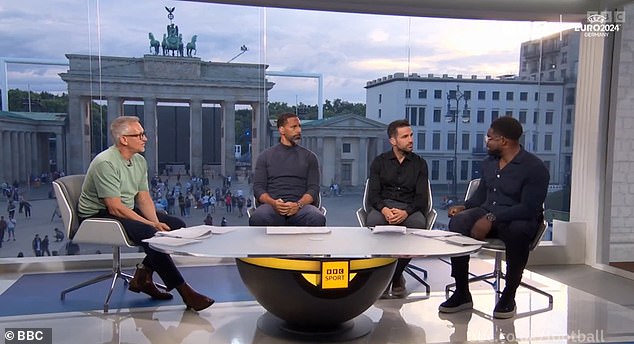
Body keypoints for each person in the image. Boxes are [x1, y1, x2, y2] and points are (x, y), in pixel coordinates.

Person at [78, 116, 214, 311]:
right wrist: (152, 226)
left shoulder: (139, 161)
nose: (145, 138)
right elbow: (114, 207)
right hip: (98, 215)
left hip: (124, 208)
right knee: (150, 234)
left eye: (144, 134)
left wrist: (155, 221)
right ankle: (185, 292)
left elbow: (143, 198)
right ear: (123, 139)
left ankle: (143, 276)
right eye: (139, 134)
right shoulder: (105, 163)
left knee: (176, 226)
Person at [438, 116, 549, 319]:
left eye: (489, 137)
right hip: (489, 214)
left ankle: (509, 294)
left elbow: (529, 208)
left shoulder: (535, 168)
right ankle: (462, 292)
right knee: (458, 222)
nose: (486, 141)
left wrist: (491, 218)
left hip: (518, 217)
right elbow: (482, 196)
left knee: (517, 231)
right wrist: (464, 207)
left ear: (504, 141)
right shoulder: (489, 162)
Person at [366, 119, 430, 298]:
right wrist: (385, 210)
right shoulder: (379, 162)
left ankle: (394, 276)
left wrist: (406, 212)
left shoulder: (420, 164)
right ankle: (388, 275)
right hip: (384, 206)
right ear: (393, 141)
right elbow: (373, 195)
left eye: (411, 135)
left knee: (417, 224)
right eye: (405, 136)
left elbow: (421, 198)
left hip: (409, 207)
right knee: (374, 222)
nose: (410, 140)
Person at [249, 113, 326, 227]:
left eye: (299, 126)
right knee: (259, 217)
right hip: (272, 207)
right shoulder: (265, 156)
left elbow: (313, 190)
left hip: (301, 208)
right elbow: (258, 189)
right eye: (294, 127)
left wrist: (298, 205)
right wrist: (274, 203)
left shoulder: (310, 157)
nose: (299, 130)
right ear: (282, 130)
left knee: (316, 217)